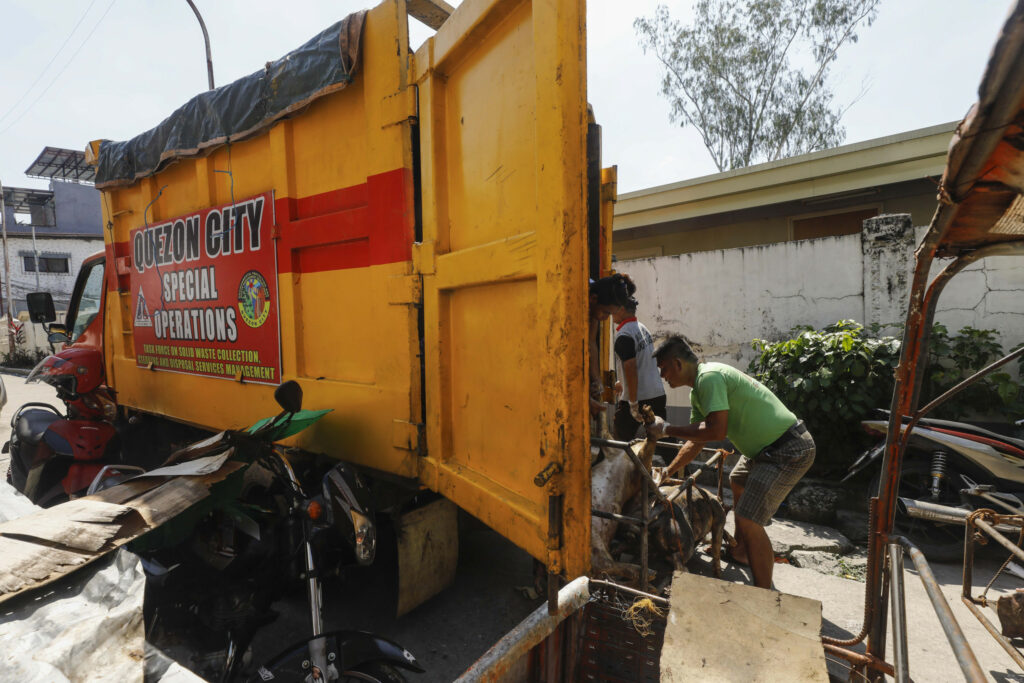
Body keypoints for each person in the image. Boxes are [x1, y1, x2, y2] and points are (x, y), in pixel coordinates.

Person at [646, 335, 814, 590]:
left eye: (664, 369)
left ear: (678, 364)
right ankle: (742, 551)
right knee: (737, 480)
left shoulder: (709, 378)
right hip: (765, 451)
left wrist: (667, 429)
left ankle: (763, 592)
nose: (663, 376)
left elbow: (716, 431)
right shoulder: (699, 392)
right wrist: (668, 472)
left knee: (748, 518)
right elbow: (697, 441)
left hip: (787, 449)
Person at [591, 274, 666, 440]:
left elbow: (631, 368)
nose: (610, 315)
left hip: (637, 397)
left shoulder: (624, 335)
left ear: (622, 309)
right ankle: (678, 465)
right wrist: (621, 383)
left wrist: (633, 403)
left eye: (612, 311)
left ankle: (625, 465)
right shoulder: (642, 328)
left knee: (621, 441)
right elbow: (643, 361)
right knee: (662, 437)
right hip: (657, 393)